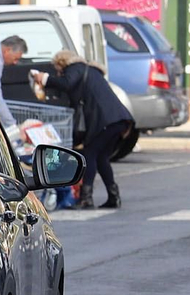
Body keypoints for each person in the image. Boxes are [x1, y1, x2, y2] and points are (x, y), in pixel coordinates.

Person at [32, 50, 134, 209]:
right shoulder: (89, 71)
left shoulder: (76, 68)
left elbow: (67, 83)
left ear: (61, 64)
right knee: (101, 158)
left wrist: (44, 79)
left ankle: (86, 198)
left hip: (106, 120)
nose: (59, 74)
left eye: (58, 70)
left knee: (90, 153)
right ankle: (114, 196)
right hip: (118, 119)